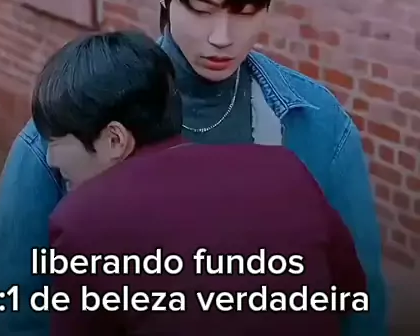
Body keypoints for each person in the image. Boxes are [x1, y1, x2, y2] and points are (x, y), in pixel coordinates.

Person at [0, 0, 386, 336]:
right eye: (202, 9)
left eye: (245, 13)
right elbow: (15, 308)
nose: (222, 37)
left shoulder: (316, 123)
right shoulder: (75, 121)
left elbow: (360, 306)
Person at [31, 30, 367, 335]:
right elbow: (350, 293)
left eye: (56, 141)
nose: (50, 159)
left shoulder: (83, 221)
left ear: (115, 140)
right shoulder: (286, 168)